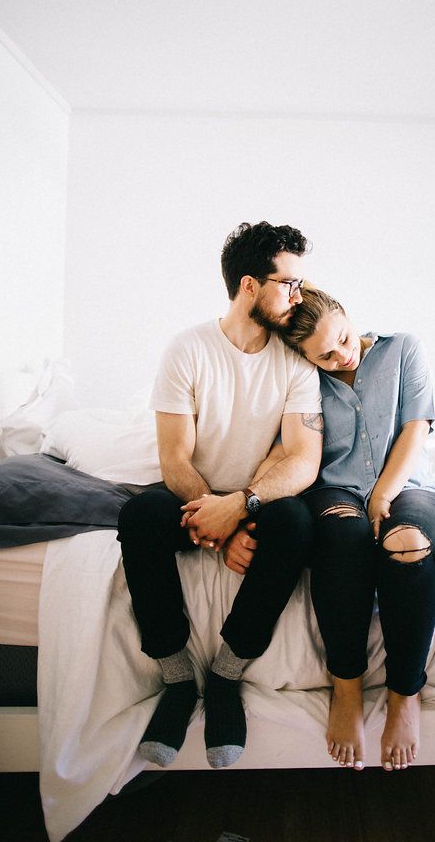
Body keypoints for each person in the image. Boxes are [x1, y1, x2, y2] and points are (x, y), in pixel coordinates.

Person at [224, 286, 435, 773]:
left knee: (408, 543)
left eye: (345, 340)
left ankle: (404, 694)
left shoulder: (403, 349)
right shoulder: (302, 378)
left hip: (410, 486)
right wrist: (243, 511)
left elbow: (415, 428)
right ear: (305, 357)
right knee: (343, 540)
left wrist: (383, 496)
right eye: (325, 356)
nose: (342, 356)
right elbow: (284, 451)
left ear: (348, 316)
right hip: (336, 493)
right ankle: (346, 687)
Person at [117, 222, 323, 770]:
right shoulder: (187, 349)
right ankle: (177, 680)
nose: (299, 296)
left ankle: (227, 675)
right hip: (193, 498)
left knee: (297, 524)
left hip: (255, 500)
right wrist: (218, 526)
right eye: (290, 284)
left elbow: (304, 459)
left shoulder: (296, 361)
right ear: (250, 286)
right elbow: (174, 460)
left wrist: (240, 508)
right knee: (139, 515)